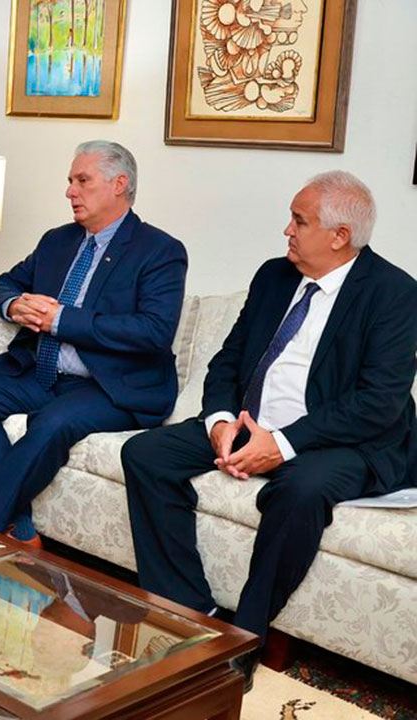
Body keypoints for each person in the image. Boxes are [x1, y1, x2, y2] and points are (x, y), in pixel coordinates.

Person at [121, 171, 417, 689]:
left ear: (339, 236)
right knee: (146, 454)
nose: (287, 230)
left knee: (299, 490)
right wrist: (217, 421)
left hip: (342, 439)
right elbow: (229, 358)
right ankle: (190, 611)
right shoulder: (274, 276)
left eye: (299, 221)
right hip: (248, 421)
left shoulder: (395, 294)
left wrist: (280, 445)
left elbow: (378, 403)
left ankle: (244, 637)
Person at [0, 140, 188, 547]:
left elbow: (153, 331)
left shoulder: (160, 251)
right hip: (41, 373)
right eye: (70, 181)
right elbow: (2, 284)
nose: (70, 191)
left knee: (52, 422)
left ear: (119, 184)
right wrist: (13, 304)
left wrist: (62, 320)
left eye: (82, 180)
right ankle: (19, 527)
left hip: (111, 387)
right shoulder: (58, 241)